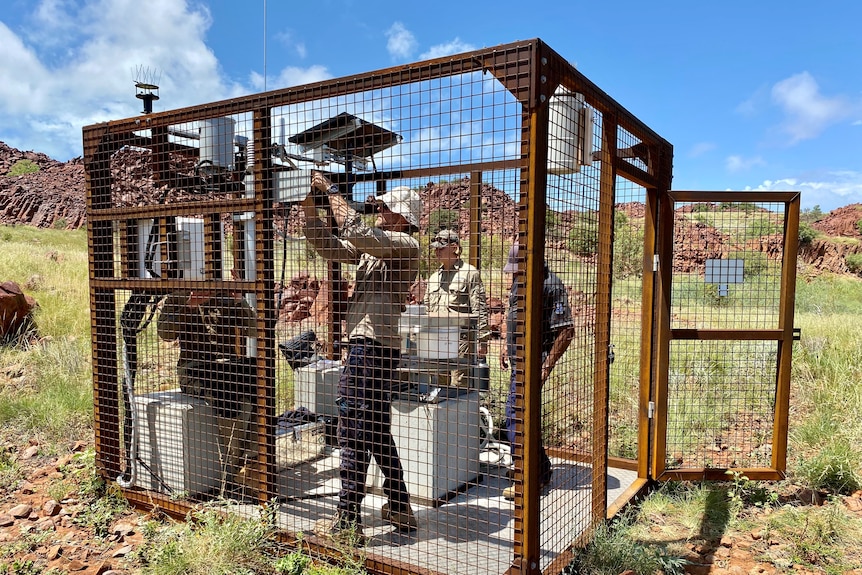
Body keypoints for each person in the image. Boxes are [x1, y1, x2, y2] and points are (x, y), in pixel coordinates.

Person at [302, 171, 422, 544]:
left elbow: (354, 232)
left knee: (352, 429)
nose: (380, 210)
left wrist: (333, 191)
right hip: (373, 348)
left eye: (385, 208)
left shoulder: (403, 243)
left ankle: (347, 521)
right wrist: (310, 207)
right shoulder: (379, 248)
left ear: (402, 216)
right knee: (374, 429)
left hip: (369, 347)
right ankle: (400, 505)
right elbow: (331, 246)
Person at [156, 287, 259, 494]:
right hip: (194, 369)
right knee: (225, 390)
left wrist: (240, 300)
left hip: (226, 365)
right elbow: (165, 333)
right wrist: (188, 306)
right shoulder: (178, 296)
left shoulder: (224, 294)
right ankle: (232, 468)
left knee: (258, 375)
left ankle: (252, 460)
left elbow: (255, 329)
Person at [499, 243, 574, 501]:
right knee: (521, 416)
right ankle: (539, 470)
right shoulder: (521, 280)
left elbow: (566, 332)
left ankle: (526, 477)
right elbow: (512, 314)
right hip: (517, 360)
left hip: (533, 362)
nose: (514, 276)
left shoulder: (551, 285)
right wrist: (504, 345)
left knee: (516, 416)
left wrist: (544, 368)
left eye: (517, 270)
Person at [424, 229, 490, 386]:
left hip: (460, 339)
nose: (437, 251)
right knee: (439, 383)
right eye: (435, 248)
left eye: (441, 248)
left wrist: (482, 339)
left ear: (454, 247)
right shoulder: (434, 277)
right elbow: (427, 309)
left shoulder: (469, 273)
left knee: (459, 383)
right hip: (437, 337)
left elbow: (479, 307)